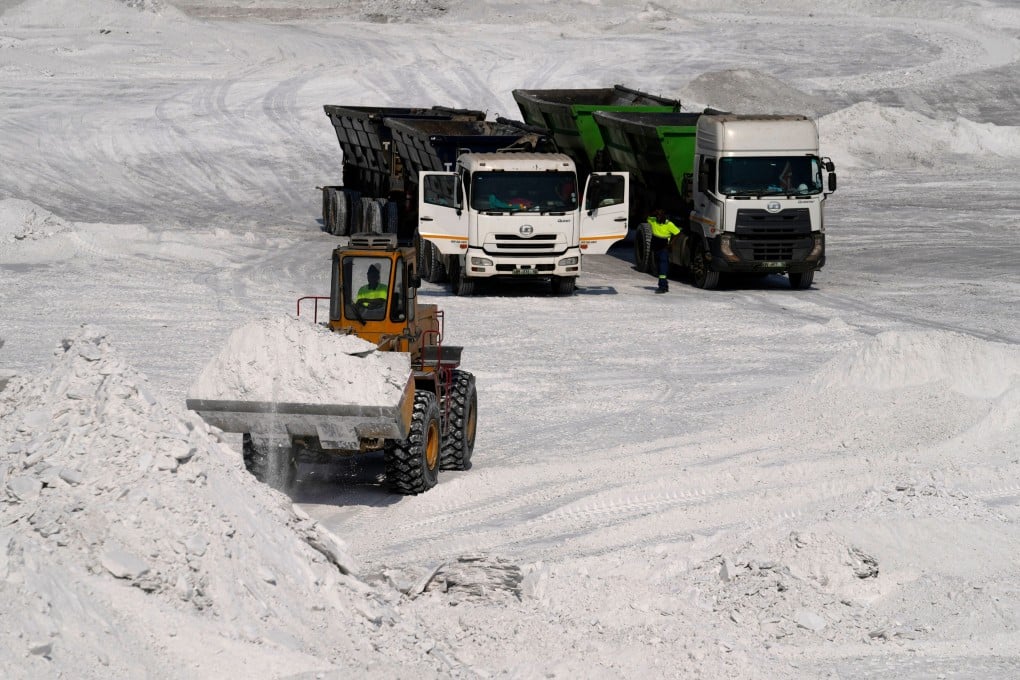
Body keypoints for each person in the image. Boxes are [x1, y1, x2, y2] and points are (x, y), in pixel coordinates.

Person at [648, 209, 680, 293]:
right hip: (655, 248)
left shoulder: (669, 224)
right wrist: (652, 213)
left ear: (664, 216)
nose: (658, 217)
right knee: (658, 267)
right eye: (657, 215)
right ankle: (665, 285)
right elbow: (646, 216)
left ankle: (662, 287)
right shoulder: (653, 221)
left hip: (663, 248)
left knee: (663, 267)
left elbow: (677, 233)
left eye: (660, 215)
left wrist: (671, 244)